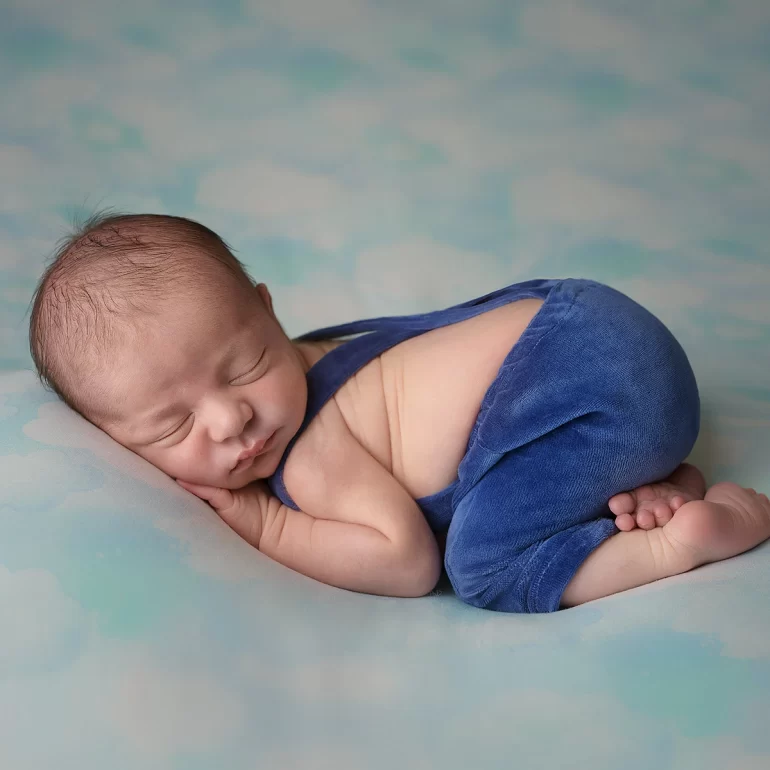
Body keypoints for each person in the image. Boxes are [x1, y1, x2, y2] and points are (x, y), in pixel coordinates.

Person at [28, 213, 770, 613]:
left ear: (266, 311)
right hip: (599, 332)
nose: (232, 421)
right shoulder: (317, 351)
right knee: (507, 485)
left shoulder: (310, 450)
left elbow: (407, 564)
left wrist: (266, 522)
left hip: (581, 384)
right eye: (173, 426)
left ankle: (683, 542)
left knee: (483, 567)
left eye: (245, 365)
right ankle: (655, 478)